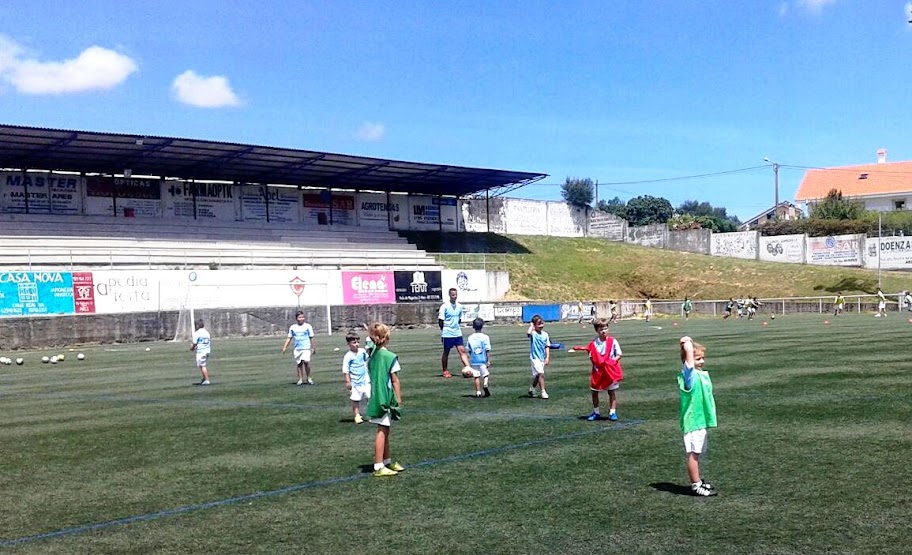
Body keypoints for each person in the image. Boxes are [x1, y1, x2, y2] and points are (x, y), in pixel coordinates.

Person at [678, 336, 718, 497]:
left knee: (698, 452)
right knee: (693, 453)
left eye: (702, 358)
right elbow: (688, 365)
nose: (701, 362)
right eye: (698, 359)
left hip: (700, 421)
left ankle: (699, 481)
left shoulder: (699, 374)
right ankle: (695, 485)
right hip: (693, 421)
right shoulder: (690, 375)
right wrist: (687, 345)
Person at [366, 323, 405, 477]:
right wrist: (398, 399)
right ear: (386, 338)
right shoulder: (389, 356)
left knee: (385, 429)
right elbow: (395, 381)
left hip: (375, 394)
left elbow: (369, 344)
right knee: (382, 431)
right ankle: (378, 465)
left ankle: (386, 461)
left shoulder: (373, 355)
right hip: (385, 397)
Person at [573, 318, 623, 421]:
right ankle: (596, 412)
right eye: (601, 329)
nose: (604, 331)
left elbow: (619, 354)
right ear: (597, 331)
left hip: (610, 371)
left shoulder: (613, 341)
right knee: (595, 392)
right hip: (598, 372)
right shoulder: (594, 343)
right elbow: (592, 356)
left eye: (605, 328)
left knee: (611, 392)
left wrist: (612, 362)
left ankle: (612, 412)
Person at [438, 288, 469, 378]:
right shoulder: (445, 306)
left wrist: (456, 327)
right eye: (453, 295)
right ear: (449, 295)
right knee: (446, 352)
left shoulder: (459, 306)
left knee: (462, 350)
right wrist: (444, 330)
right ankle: (445, 370)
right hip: (447, 333)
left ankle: (468, 367)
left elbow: (459, 319)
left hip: (457, 332)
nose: (455, 296)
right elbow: (441, 320)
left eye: (456, 295)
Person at [281, 310, 316, 386]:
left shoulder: (308, 326)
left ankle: (309, 378)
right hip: (297, 348)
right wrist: (284, 347)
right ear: (296, 318)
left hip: (306, 347)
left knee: (306, 362)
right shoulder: (293, 327)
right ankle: (300, 379)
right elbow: (289, 338)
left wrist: (313, 347)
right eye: (300, 317)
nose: (302, 318)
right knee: (299, 363)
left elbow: (311, 337)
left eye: (303, 317)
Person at [342, 332, 370, 423]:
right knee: (355, 399)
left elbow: (367, 360)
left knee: (369, 397)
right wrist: (347, 381)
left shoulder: (362, 352)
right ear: (348, 344)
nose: (356, 344)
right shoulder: (348, 356)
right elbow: (346, 370)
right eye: (354, 342)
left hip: (365, 380)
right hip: (355, 382)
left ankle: (371, 414)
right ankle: (357, 415)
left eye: (357, 342)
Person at [465, 317, 492, 397]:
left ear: (473, 327)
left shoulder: (470, 337)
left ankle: (478, 392)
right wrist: (488, 360)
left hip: (474, 360)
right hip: (483, 360)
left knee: (476, 376)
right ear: (482, 326)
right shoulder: (485, 337)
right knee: (485, 374)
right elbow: (487, 350)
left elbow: (468, 349)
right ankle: (485, 383)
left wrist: (471, 357)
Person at [527, 315, 551, 399]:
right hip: (534, 358)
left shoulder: (545, 335)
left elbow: (547, 346)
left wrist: (547, 358)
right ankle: (543, 392)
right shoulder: (533, 333)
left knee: (538, 376)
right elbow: (528, 333)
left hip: (542, 358)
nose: (541, 325)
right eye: (538, 324)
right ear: (535, 325)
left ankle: (532, 388)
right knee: (541, 373)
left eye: (542, 323)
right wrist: (531, 326)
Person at [190, 319, 211, 385]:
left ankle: (207, 380)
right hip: (207, 350)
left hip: (201, 351)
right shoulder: (206, 332)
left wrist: (192, 348)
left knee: (202, 365)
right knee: (201, 365)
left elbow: (194, 343)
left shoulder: (197, 333)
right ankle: (204, 378)